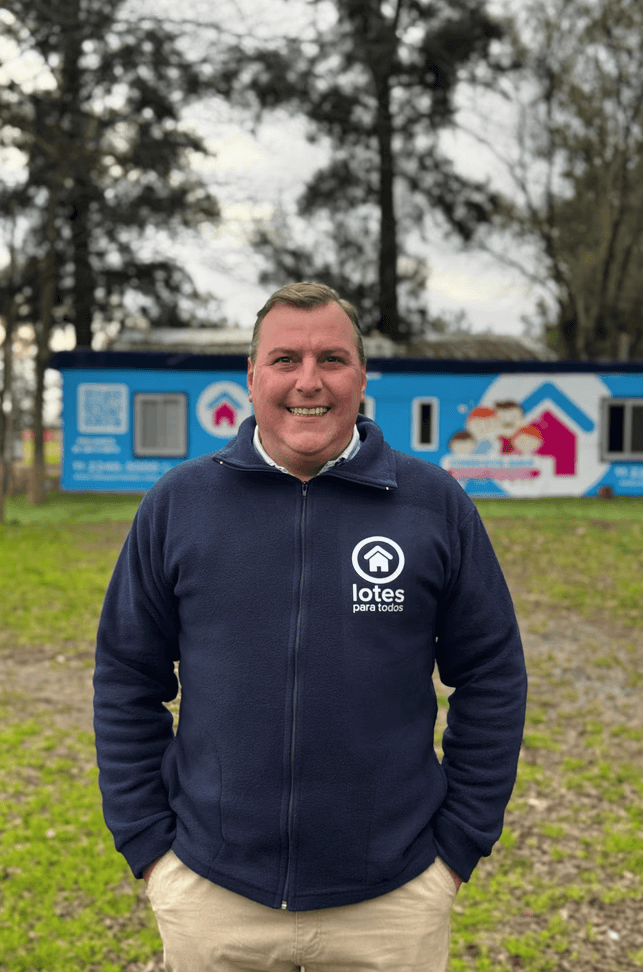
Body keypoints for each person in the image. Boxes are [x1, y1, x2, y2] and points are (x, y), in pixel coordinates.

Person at [93, 282, 527, 972]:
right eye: (284, 360)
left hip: (391, 899)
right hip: (214, 893)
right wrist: (150, 847)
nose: (308, 382)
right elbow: (125, 676)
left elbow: (491, 674)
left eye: (331, 359)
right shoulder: (178, 504)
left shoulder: (433, 506)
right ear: (252, 377)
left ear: (361, 375)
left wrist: (454, 847)